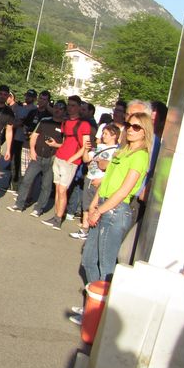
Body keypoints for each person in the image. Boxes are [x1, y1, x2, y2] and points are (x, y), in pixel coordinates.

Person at [79, 111, 152, 285]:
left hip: (116, 211)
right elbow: (107, 180)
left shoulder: (141, 156)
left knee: (106, 266)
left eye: (136, 127)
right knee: (88, 260)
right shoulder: (122, 151)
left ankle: (102, 300)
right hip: (102, 203)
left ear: (145, 131)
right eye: (128, 125)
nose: (131, 130)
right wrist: (94, 205)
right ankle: (95, 298)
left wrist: (100, 211)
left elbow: (124, 191)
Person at [41, 95, 92, 230]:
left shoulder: (84, 124)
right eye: (69, 105)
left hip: (70, 161)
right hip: (60, 157)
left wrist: (72, 158)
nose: (70, 108)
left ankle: (58, 219)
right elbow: (65, 142)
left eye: (73, 105)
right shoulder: (66, 122)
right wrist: (56, 145)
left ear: (79, 107)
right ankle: (56, 216)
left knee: (62, 190)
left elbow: (85, 146)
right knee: (58, 189)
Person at [8, 100, 65, 215]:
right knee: (26, 180)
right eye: (56, 107)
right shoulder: (45, 121)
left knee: (46, 186)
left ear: (64, 111)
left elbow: (66, 144)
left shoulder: (65, 125)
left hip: (52, 159)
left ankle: (39, 208)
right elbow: (34, 136)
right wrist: (32, 150)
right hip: (37, 156)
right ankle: (19, 204)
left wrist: (55, 145)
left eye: (61, 108)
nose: (58, 110)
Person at [69, 123, 120, 241]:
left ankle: (93, 232)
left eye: (106, 134)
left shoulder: (116, 151)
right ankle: (84, 229)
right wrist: (85, 150)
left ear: (114, 135)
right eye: (103, 133)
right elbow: (86, 159)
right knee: (86, 205)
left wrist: (102, 180)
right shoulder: (99, 147)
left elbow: (113, 169)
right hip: (90, 177)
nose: (103, 136)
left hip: (101, 180)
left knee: (97, 206)